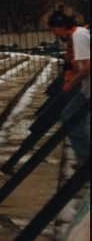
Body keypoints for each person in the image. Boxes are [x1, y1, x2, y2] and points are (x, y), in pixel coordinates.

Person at [48, 10, 90, 165]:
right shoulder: (78, 35)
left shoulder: (78, 36)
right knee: (77, 118)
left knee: (69, 116)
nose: (54, 34)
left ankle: (85, 157)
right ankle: (84, 156)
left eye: (53, 30)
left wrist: (70, 84)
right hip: (86, 88)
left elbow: (87, 67)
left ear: (60, 27)